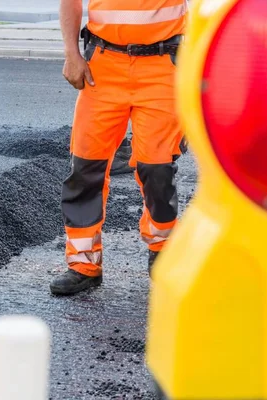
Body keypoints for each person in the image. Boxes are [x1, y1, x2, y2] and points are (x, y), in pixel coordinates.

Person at [50, 0, 188, 295]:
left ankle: (164, 250)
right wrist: (71, 53)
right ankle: (83, 264)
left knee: (158, 168)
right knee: (85, 166)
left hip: (164, 66)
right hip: (102, 65)